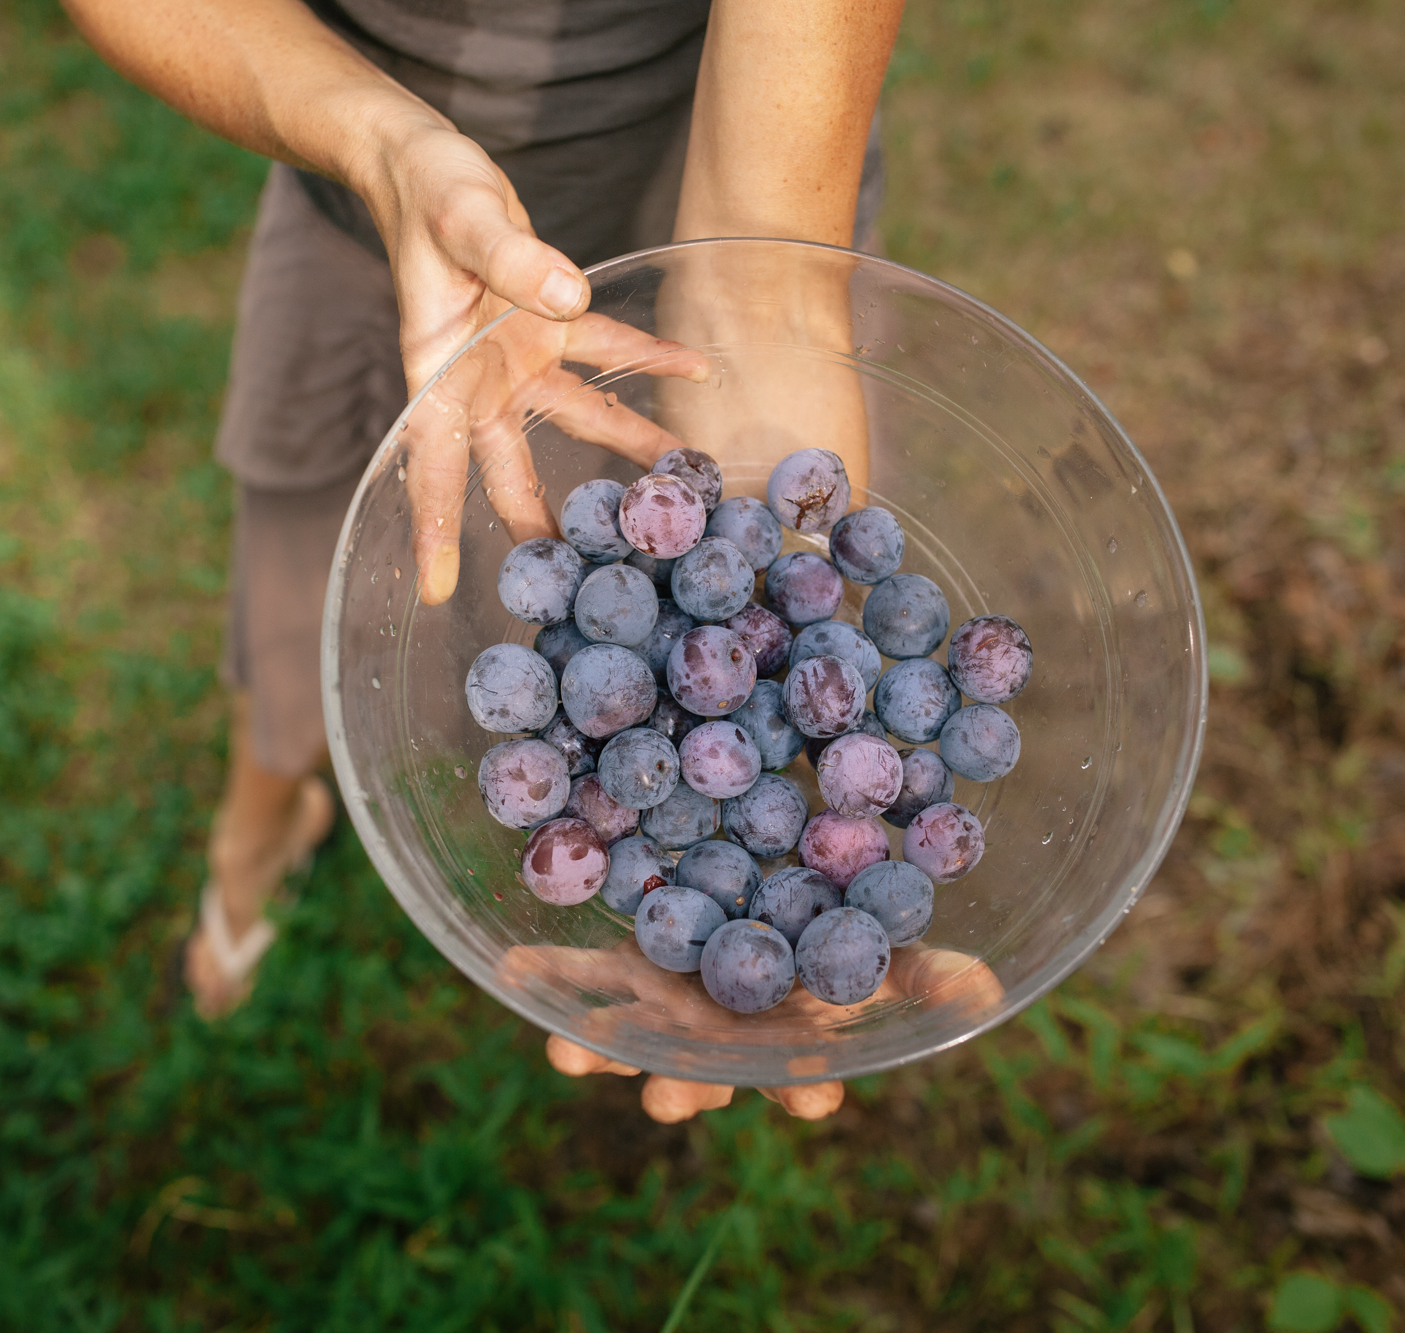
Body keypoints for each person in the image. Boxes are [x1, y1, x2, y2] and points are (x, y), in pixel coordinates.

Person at [64, 0, 909, 1122]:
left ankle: (271, 817)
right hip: (359, 208)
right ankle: (259, 820)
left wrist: (796, 822)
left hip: (709, 193)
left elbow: (760, 297)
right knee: (294, 601)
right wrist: (382, 143)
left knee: (551, 646)